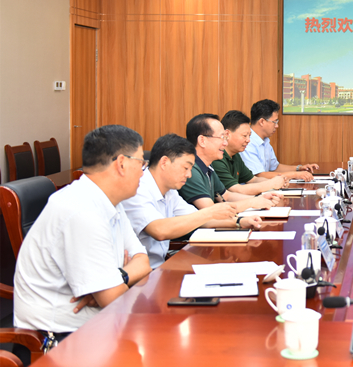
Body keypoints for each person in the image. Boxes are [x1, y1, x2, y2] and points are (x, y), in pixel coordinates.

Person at [14, 125, 152, 337]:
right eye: (141, 163)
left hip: (98, 325)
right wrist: (111, 286)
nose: (143, 172)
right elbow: (114, 300)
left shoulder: (110, 202)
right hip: (59, 339)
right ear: (122, 163)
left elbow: (143, 262)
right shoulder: (80, 210)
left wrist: (118, 276)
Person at [122, 134, 265, 269]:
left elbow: (199, 219)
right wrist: (210, 212)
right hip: (143, 273)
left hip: (159, 266)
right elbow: (160, 230)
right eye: (186, 168)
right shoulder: (138, 188)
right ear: (164, 162)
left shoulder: (170, 191)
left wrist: (239, 222)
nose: (189, 175)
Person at [178, 113, 280, 211]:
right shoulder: (191, 170)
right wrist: (251, 203)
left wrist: (259, 199)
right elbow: (210, 210)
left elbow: (226, 195)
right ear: (202, 141)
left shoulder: (208, 166)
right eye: (222, 137)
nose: (225, 143)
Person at [241, 99, 319, 182]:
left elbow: (275, 168)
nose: (277, 126)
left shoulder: (265, 141)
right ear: (262, 122)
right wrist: (295, 175)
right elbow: (259, 175)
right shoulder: (247, 142)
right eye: (274, 122)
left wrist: (299, 168)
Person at [212, 110, 287, 194]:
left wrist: (278, 181)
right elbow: (237, 189)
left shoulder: (235, 155)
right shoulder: (217, 158)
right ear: (227, 134)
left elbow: (253, 179)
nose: (248, 140)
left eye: (249, 136)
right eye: (244, 136)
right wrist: (272, 184)